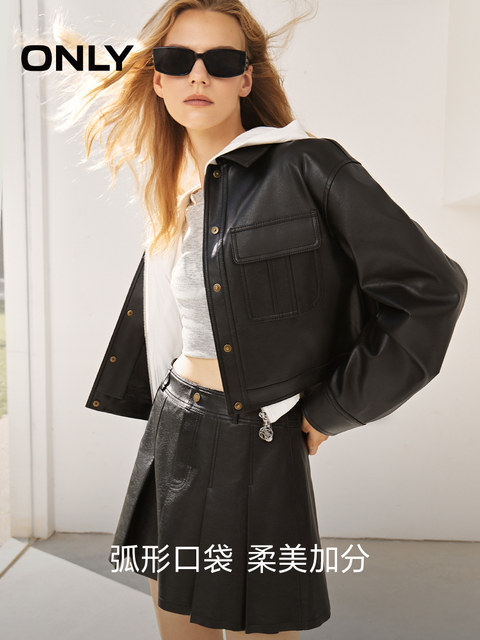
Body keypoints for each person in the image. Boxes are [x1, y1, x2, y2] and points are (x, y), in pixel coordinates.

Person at [44, 1, 467, 638]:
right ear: (157, 78)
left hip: (258, 436)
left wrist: (334, 409)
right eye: (178, 60)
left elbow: (432, 288)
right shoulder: (176, 185)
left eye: (220, 61)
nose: (198, 76)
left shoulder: (307, 165)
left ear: (246, 78)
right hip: (173, 427)